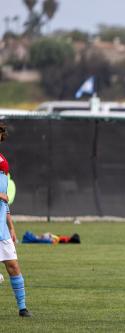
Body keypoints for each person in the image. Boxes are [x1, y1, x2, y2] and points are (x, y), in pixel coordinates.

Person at [0, 123, 32, 317]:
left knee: (13, 266)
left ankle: (22, 307)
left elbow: (4, 199)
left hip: (1, 225)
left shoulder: (2, 160)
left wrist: (11, 226)